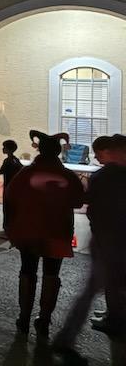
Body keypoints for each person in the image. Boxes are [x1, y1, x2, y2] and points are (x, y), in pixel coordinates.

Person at [53, 134, 126, 362]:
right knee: (98, 288)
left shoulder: (103, 176)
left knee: (98, 288)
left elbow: (90, 204)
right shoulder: (111, 176)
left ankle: (69, 337)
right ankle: (67, 338)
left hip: (107, 241)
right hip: (112, 242)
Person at [5, 129, 85, 336]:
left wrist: (9, 225)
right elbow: (78, 201)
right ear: (58, 152)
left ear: (39, 150)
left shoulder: (25, 174)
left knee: (27, 271)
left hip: (28, 230)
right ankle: (44, 320)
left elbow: (10, 197)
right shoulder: (67, 175)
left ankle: (24, 317)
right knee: (52, 274)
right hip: (57, 232)